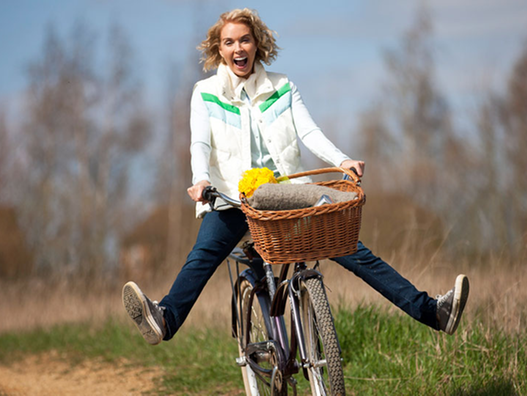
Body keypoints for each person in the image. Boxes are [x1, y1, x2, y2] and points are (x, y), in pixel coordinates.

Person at [122, 8, 469, 346]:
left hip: (286, 198)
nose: (238, 48)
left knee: (353, 250)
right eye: (229, 42)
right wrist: (200, 180)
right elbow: (199, 142)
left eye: (245, 40)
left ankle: (433, 312)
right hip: (231, 197)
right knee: (203, 255)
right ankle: (164, 318)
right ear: (219, 49)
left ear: (257, 43)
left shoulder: (283, 87)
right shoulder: (206, 93)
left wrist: (341, 160)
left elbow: (310, 132)